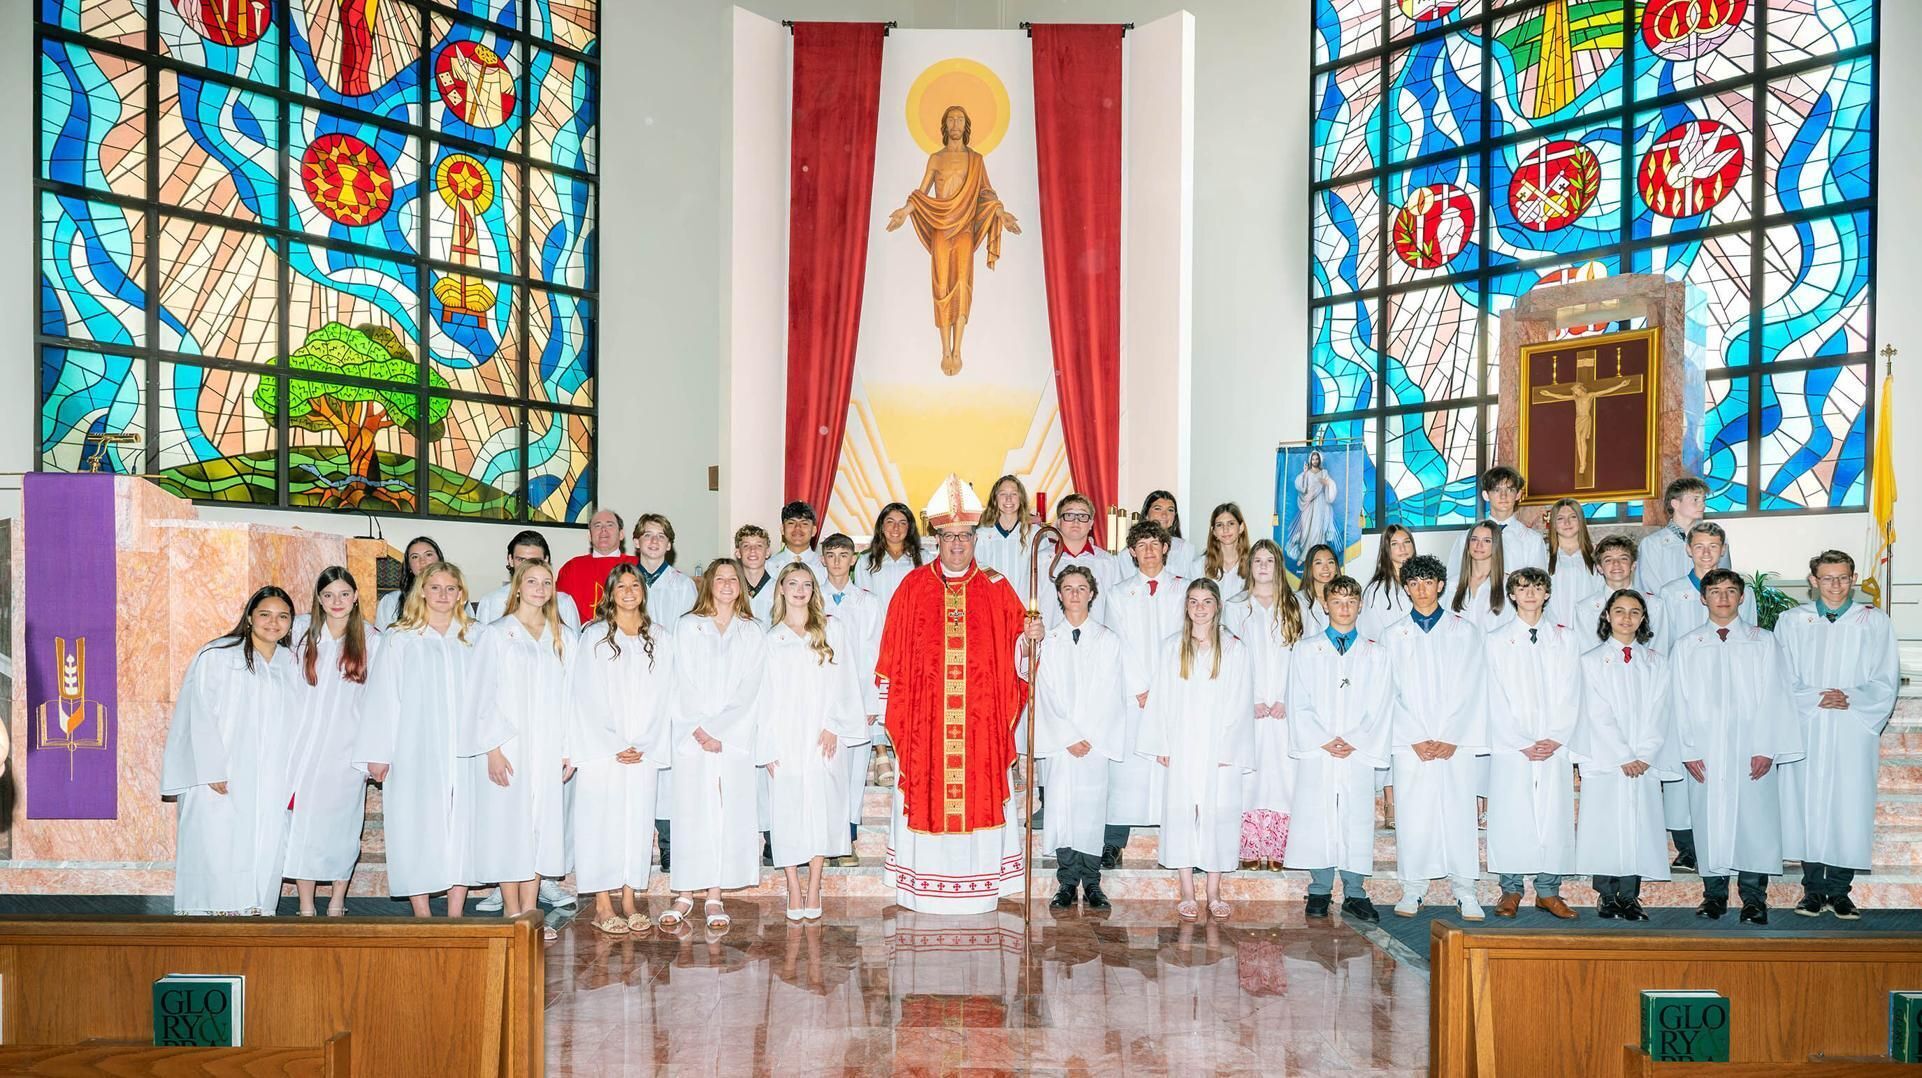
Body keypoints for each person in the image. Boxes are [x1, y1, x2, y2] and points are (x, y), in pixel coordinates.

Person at [874, 474, 1034, 914]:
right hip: (925, 723)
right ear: (937, 540)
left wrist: (1030, 638)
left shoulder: (998, 587)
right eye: (949, 537)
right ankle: (922, 884)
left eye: (965, 536)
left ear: (975, 539)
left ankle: (980, 883)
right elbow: (892, 654)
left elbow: (1021, 652)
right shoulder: (912, 587)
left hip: (980, 723)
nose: (958, 544)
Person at [1669, 569, 1805, 924]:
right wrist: (1687, 749)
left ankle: (1754, 899)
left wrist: (1766, 746)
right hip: (1705, 749)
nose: (1723, 598)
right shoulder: (1687, 645)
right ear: (1703, 598)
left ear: (1742, 597)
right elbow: (1678, 700)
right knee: (1708, 820)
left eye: (1731, 591)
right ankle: (1714, 896)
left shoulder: (1763, 641)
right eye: (1715, 591)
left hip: (1751, 747)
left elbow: (1776, 695)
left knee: (1754, 823)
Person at [1775, 551, 1901, 919]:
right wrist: (1815, 697)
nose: (1836, 585)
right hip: (1808, 724)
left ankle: (1841, 891)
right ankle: (1813, 890)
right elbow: (1779, 675)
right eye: (1828, 578)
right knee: (1807, 805)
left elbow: (1886, 677)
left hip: (1852, 725)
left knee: (1849, 805)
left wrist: (1852, 698)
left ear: (1853, 579)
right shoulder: (1791, 621)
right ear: (1813, 581)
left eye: (1843, 578)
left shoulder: (1873, 621)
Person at [162, 585, 302, 916]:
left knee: (263, 843)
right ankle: (211, 920)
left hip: (270, 777)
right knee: (218, 843)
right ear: (250, 617)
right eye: (265, 614)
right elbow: (198, 713)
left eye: (282, 616)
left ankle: (256, 914)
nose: (273, 622)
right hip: (222, 774)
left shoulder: (291, 663)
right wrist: (210, 768)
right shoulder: (218, 655)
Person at [355, 562, 479, 916]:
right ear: (422, 590)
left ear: (461, 594)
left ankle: (455, 913)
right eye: (435, 587)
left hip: (464, 748)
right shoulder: (401, 638)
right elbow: (383, 696)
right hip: (413, 745)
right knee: (414, 823)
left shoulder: (475, 636)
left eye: (450, 588)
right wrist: (379, 752)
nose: (443, 595)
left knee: (462, 827)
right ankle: (422, 913)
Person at [466, 560, 574, 941]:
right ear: (517, 586)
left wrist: (567, 748)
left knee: (540, 826)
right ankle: (511, 910)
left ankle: (531, 912)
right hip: (509, 745)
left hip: (548, 745)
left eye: (547, 582)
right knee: (508, 825)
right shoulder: (497, 633)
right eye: (532, 581)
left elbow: (571, 695)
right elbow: (482, 693)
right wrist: (492, 749)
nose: (540, 588)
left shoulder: (562, 635)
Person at [1139, 579, 1257, 921]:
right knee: (1181, 813)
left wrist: (1228, 748)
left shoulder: (1234, 649)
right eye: (1193, 601)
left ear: (1218, 605)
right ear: (1186, 607)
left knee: (1218, 814)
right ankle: (1187, 890)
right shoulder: (1172, 647)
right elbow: (1161, 697)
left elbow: (1240, 701)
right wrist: (1162, 742)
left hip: (1219, 747)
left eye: (1207, 601)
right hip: (1182, 743)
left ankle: (1214, 891)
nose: (1200, 608)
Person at [756, 564, 867, 920]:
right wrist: (767, 745)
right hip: (785, 736)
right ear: (781, 589)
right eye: (792, 583)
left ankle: (815, 883)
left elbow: (845, 679)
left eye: (806, 584)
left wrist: (834, 724)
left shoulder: (832, 629)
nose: (800, 590)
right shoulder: (772, 639)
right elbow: (764, 695)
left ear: (814, 590)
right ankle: (793, 885)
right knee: (787, 808)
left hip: (823, 734)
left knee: (824, 806)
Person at [568, 563, 674, 937]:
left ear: (644, 592)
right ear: (610, 593)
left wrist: (644, 742)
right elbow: (584, 693)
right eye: (621, 586)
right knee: (600, 823)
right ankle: (602, 903)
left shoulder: (659, 637)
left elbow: (665, 694)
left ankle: (629, 899)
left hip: (643, 749)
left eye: (635, 585)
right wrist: (613, 742)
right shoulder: (595, 636)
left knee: (636, 824)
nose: (629, 592)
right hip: (603, 749)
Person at [1378, 555, 1486, 920]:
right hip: (1412, 744)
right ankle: (1413, 888)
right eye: (1413, 583)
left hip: (1455, 742)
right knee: (1413, 815)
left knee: (1458, 812)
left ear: (1440, 585)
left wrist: (1453, 735)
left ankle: (1465, 889)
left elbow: (1474, 685)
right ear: (1406, 588)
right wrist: (1413, 736)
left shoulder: (1464, 631)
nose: (1421, 589)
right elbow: (1386, 692)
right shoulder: (1393, 635)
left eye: (1428, 581)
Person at [663, 559, 769, 932]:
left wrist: (721, 730)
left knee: (727, 812)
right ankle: (684, 892)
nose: (726, 584)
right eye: (719, 578)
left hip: (733, 739)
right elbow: (680, 679)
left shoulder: (753, 630)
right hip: (692, 736)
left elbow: (752, 686)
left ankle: (714, 894)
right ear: (708, 584)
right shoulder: (687, 626)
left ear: (741, 586)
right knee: (692, 811)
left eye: (732, 579)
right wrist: (699, 728)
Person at [1284, 575, 1395, 922]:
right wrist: (1323, 738)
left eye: (1350, 602)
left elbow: (1382, 704)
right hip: (1320, 749)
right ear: (1325, 604)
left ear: (1360, 606)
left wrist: (1356, 738)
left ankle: (1355, 892)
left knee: (1355, 818)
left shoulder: (1376, 654)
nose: (1344, 608)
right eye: (1337, 601)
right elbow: (1297, 699)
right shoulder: (1306, 650)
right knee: (1317, 815)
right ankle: (1319, 889)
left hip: (1356, 750)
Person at [1483, 567, 1583, 920]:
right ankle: (1511, 889)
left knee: (1553, 817)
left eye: (1537, 588)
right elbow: (1492, 693)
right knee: (1512, 814)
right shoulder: (1496, 639)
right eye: (1522, 588)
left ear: (1547, 594)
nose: (1530, 594)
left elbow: (1573, 690)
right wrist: (1518, 740)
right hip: (1514, 746)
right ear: (1512, 594)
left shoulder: (1566, 638)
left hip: (1553, 743)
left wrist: (1557, 736)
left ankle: (1548, 891)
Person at [1572, 589, 1676, 921]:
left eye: (1634, 612)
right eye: (1619, 611)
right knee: (1605, 827)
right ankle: (1606, 895)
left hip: (1644, 761)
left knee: (1638, 828)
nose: (1626, 618)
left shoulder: (1656, 662)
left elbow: (1662, 709)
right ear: (1607, 616)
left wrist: (1645, 754)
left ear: (1643, 618)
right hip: (1606, 758)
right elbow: (1595, 712)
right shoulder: (1589, 661)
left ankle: (1630, 896)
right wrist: (1623, 754)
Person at [286, 568, 380, 917]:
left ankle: (338, 900)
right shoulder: (302, 633)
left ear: (355, 596)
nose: (336, 602)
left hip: (347, 750)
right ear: (319, 599)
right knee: (303, 826)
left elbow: (379, 700)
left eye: (343, 594)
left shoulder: (372, 639)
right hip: (303, 747)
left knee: (343, 826)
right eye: (328, 595)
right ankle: (306, 904)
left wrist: (373, 752)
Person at [1032, 566, 1127, 911]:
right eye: (1068, 587)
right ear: (1059, 594)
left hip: (1094, 743)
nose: (1075, 593)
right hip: (1062, 744)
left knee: (1090, 811)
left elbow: (1111, 692)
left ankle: (1093, 882)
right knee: (1062, 810)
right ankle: (1067, 881)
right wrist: (1067, 736)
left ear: (1092, 593)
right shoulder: (1047, 641)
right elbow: (1043, 690)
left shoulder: (1107, 640)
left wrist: (1088, 736)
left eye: (1081, 587)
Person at [1104, 519, 1187, 868]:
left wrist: (1167, 689)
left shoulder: (1184, 589)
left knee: (1175, 773)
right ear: (1132, 552)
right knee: (1127, 772)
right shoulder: (1117, 593)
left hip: (1176, 693)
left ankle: (1180, 842)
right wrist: (1140, 687)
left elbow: (1188, 639)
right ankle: (1113, 842)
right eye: (1141, 545)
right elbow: (1117, 642)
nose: (1149, 551)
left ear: (1166, 548)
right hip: (1133, 696)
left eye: (1155, 543)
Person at [1225, 540, 1304, 872]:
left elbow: (1302, 658)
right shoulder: (1235, 606)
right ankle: (1249, 845)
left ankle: (1279, 846)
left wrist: (1288, 697)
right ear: (1249, 566)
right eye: (1257, 560)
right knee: (1251, 774)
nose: (1262, 566)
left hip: (1285, 708)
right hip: (1250, 707)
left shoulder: (1295, 605)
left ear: (1278, 565)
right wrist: (1251, 698)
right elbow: (1231, 658)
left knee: (1283, 776)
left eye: (1269, 560)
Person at [635, 512, 697, 876]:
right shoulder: (625, 580)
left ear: (669, 544)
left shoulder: (682, 585)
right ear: (637, 542)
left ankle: (670, 844)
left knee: (669, 771)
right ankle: (637, 845)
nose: (654, 541)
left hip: (669, 683)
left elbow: (687, 638)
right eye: (648, 535)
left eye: (661, 536)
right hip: (633, 686)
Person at [819, 533, 885, 865]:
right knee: (825, 772)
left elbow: (876, 652)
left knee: (856, 773)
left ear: (853, 559)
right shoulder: (811, 598)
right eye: (831, 555)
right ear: (822, 559)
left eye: (843, 555)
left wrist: (872, 703)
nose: (837, 561)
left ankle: (848, 839)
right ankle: (825, 838)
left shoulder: (868, 602)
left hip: (858, 699)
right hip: (822, 701)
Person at [1655, 522, 1756, 643]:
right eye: (1699, 546)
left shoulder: (1744, 592)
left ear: (1723, 549)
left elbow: (1750, 638)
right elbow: (1662, 642)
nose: (1706, 553)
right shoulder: (1670, 593)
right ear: (1689, 549)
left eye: (1713, 546)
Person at [1035, 494, 1119, 629]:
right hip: (1051, 637)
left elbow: (1116, 609)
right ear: (1058, 522)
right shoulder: (1040, 560)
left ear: (1091, 524)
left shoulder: (1107, 562)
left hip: (1096, 638)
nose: (1076, 521)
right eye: (1069, 515)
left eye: (1083, 516)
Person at [1637, 476, 1728, 595]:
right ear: (1675, 504)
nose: (1703, 505)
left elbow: (1724, 579)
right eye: (1695, 499)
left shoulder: (1716, 540)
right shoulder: (1652, 544)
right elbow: (1649, 587)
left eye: (1703, 500)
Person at [473, 530, 582, 629]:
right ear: (510, 560)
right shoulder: (491, 601)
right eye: (521, 560)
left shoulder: (563, 603)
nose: (527, 567)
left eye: (534, 561)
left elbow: (573, 642)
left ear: (546, 560)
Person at [1446, 467, 1546, 574]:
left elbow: (1538, 580)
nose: (1503, 496)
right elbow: (1454, 577)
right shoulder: (1467, 538)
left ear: (1518, 495)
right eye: (1496, 490)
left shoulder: (1533, 540)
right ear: (1486, 495)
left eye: (1510, 490)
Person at [1575, 535, 1663, 653]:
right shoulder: (1585, 608)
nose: (1616, 564)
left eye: (1623, 558)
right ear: (1600, 568)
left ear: (1633, 565)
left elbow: (1658, 649)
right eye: (1608, 560)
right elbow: (1587, 652)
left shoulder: (1654, 604)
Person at [555, 509, 637, 620]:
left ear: (621, 534)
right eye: (597, 526)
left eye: (610, 525)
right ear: (590, 535)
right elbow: (560, 609)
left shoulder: (636, 565)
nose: (603, 529)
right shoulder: (572, 567)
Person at [1544, 498, 1602, 629]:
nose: (1567, 522)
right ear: (1553, 523)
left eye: (1573, 517)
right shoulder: (1544, 555)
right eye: (1560, 518)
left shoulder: (1596, 554)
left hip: (1589, 627)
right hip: (1554, 627)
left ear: (1581, 521)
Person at [978, 475, 1037, 602]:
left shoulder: (1034, 534)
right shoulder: (981, 535)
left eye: (1014, 494)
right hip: (991, 605)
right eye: (1003, 494)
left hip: (1024, 606)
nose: (1008, 498)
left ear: (1021, 498)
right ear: (995, 499)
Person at [858, 501, 925, 611]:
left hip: (913, 620)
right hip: (879, 621)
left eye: (902, 523)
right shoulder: (866, 561)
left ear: (909, 528)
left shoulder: (925, 558)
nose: (896, 527)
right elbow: (864, 603)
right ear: (882, 526)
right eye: (890, 522)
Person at [1449, 520, 1514, 633]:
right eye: (1474, 539)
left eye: (1487, 541)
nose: (1479, 545)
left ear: (1496, 545)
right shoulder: (1451, 584)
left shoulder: (1508, 585)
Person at [1359, 525, 1416, 637]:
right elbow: (1370, 633)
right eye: (1394, 544)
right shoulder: (1375, 590)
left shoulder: (1425, 582)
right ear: (1386, 549)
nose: (1402, 548)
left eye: (1406, 542)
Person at [1285, 451, 1340, 563]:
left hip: (1320, 505)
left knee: (1317, 529)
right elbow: (1301, 487)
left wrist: (1327, 484)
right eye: (1313, 459)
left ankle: (1317, 558)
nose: (1315, 461)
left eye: (1317, 459)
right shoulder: (1307, 473)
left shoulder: (1324, 473)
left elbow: (1331, 485)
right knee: (1305, 531)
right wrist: (1305, 473)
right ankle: (1304, 556)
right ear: (1310, 460)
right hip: (1308, 504)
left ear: (1319, 460)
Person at [377, 536, 443, 628]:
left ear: (439, 560)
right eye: (415, 557)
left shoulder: (453, 596)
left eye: (428, 555)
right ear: (409, 566)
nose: (422, 561)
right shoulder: (392, 601)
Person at [1141, 490, 1200, 580]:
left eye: (1170, 510)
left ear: (1174, 517)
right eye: (1158, 509)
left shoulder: (1186, 549)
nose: (1164, 515)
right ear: (1146, 514)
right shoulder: (1130, 552)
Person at [1199, 503, 1251, 601]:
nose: (1225, 529)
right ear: (1213, 531)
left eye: (1231, 523)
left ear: (1241, 527)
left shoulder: (1254, 564)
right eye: (1219, 525)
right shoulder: (1198, 566)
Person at [735, 524, 777, 624]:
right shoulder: (732, 588)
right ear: (738, 553)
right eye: (746, 546)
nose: (752, 550)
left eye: (759, 545)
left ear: (767, 552)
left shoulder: (779, 589)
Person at [768, 500, 824, 575]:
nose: (797, 527)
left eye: (804, 523)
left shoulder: (825, 566)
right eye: (791, 523)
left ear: (814, 530)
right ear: (782, 529)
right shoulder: (769, 566)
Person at [1297, 543, 1340, 636]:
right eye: (1318, 563)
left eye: (1330, 562)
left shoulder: (1346, 600)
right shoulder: (1297, 600)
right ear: (1310, 568)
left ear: (1336, 568)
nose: (1325, 568)